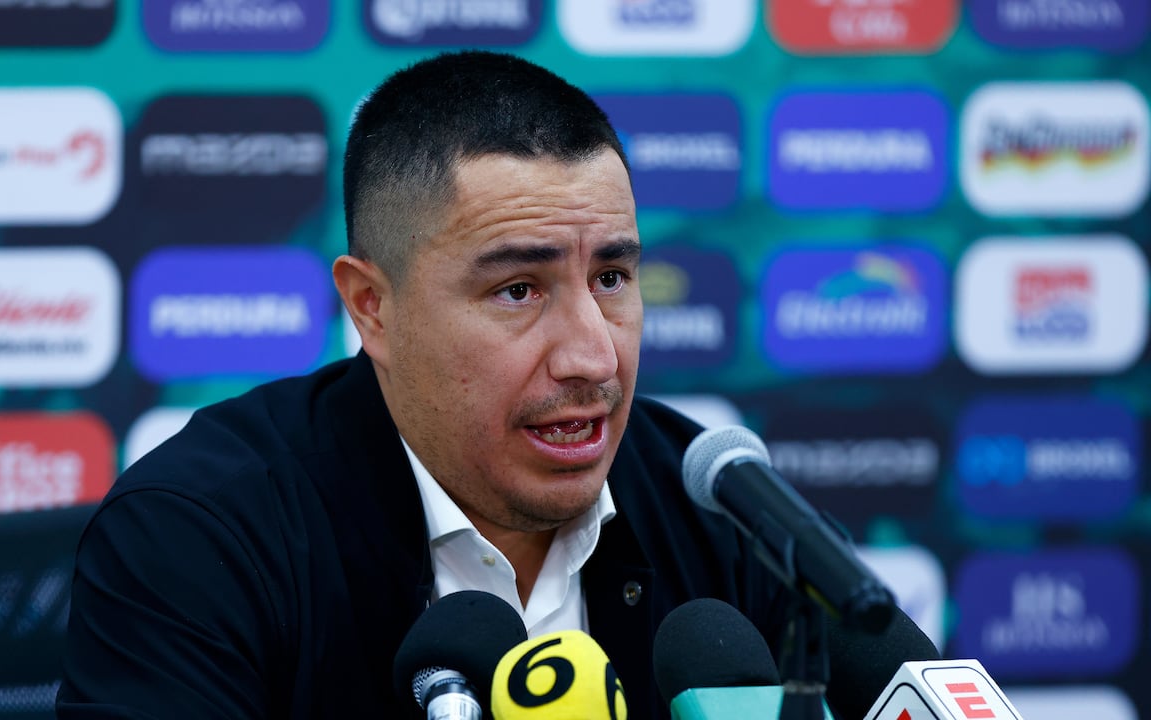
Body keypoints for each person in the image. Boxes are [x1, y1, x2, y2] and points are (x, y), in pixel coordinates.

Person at [56, 50, 791, 719]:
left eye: (612, 278)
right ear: (371, 307)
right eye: (518, 289)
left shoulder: (719, 512)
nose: (594, 358)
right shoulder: (194, 536)